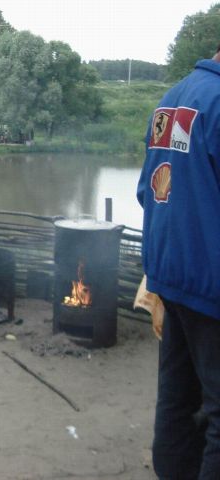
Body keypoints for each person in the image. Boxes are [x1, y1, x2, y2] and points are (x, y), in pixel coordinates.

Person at [137, 43, 220, 479]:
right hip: (211, 283)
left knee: (177, 397)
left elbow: (145, 191)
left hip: (169, 276)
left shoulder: (171, 99)